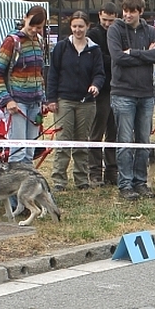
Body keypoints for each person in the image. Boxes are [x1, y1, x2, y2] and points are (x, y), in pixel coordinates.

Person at [107, 0, 155, 200]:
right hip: (123, 93)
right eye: (126, 11)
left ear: (141, 12)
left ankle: (141, 182)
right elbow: (118, 57)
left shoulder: (150, 31)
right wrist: (143, 54)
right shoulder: (115, 29)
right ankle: (125, 184)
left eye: (132, 11)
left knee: (143, 141)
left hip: (146, 94)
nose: (127, 15)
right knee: (125, 142)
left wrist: (134, 52)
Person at [46, 11, 104, 190]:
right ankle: (59, 180)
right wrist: (51, 98)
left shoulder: (94, 50)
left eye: (81, 26)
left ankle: (81, 179)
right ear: (70, 27)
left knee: (81, 142)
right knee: (63, 141)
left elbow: (100, 73)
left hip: (86, 102)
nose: (78, 30)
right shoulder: (61, 47)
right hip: (65, 100)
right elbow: (53, 73)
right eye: (74, 26)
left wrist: (96, 85)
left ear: (87, 27)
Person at [0, 6, 48, 165]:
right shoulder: (12, 41)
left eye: (39, 27)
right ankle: (15, 188)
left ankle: (28, 188)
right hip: (17, 103)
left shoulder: (39, 41)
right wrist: (6, 100)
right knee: (17, 152)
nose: (34, 30)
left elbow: (40, 74)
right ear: (25, 18)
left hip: (35, 103)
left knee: (30, 152)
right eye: (32, 25)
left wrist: (43, 101)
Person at [86, 2, 119, 187]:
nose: (107, 23)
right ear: (99, 16)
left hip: (117, 88)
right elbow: (97, 59)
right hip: (101, 89)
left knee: (114, 132)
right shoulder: (94, 35)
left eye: (111, 20)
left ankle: (112, 170)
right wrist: (118, 57)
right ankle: (95, 171)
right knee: (97, 132)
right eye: (105, 19)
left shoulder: (119, 33)